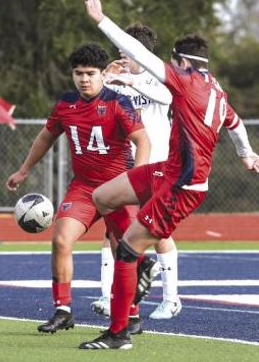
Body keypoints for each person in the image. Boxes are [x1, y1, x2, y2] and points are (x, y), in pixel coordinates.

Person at [80, 0, 259, 350]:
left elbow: (141, 55)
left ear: (182, 61)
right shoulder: (216, 90)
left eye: (174, 61)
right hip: (166, 170)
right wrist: (247, 153)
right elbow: (236, 123)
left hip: (183, 186)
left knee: (127, 250)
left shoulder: (186, 80)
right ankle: (142, 266)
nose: (171, 65)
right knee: (102, 197)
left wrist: (101, 19)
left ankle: (119, 333)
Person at [5, 43, 151, 334]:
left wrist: (136, 180)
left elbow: (143, 141)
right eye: (78, 73)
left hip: (117, 189)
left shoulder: (118, 103)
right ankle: (63, 310)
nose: (84, 79)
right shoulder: (65, 104)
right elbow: (46, 137)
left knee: (122, 249)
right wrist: (24, 170)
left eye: (90, 73)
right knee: (61, 240)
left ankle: (132, 315)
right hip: (84, 188)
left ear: (102, 75)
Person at [90, 23, 182, 320]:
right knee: (112, 230)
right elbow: (95, 98)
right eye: (120, 52)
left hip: (158, 164)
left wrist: (128, 81)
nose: (122, 57)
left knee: (157, 230)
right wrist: (105, 76)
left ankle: (171, 298)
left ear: (139, 53)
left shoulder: (158, 78)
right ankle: (108, 294)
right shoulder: (116, 79)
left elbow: (168, 99)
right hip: (126, 167)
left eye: (125, 52)